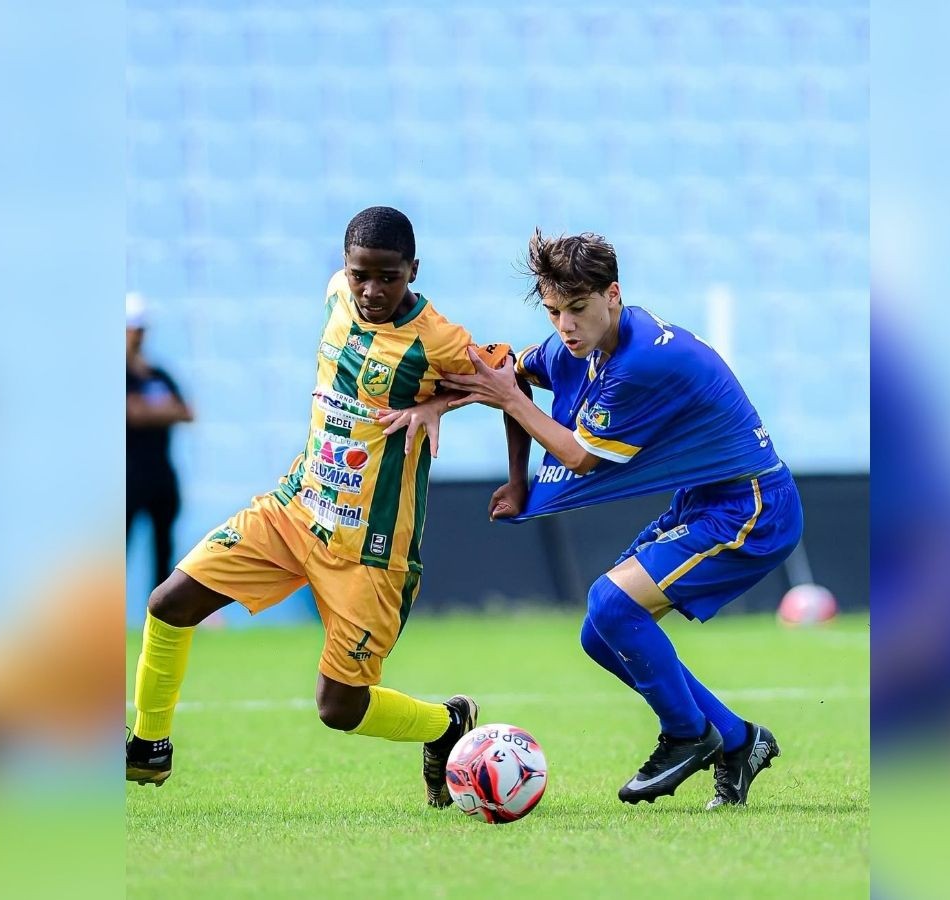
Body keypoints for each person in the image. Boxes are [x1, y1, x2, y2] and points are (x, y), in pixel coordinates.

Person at [125, 207, 511, 808]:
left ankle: (447, 725)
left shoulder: (437, 340)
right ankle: (148, 744)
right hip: (295, 510)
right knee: (169, 603)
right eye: (362, 274)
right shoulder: (336, 295)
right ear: (344, 269)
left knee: (340, 709)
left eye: (389, 277)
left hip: (373, 552)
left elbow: (510, 375)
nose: (372, 290)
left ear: (413, 270)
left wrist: (437, 407)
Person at [418, 229, 804, 808]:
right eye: (553, 312)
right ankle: (737, 740)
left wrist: (511, 400)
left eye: (577, 309)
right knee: (599, 634)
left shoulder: (641, 361)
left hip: (751, 506)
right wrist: (516, 477)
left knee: (611, 604)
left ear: (613, 295)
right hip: (703, 500)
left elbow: (579, 455)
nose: (565, 326)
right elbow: (510, 378)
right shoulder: (580, 346)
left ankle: (687, 735)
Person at [126, 291, 194, 589]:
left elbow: (187, 411)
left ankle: (158, 622)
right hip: (127, 476)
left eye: (140, 329)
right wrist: (163, 410)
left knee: (163, 553)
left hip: (161, 475)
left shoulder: (157, 373)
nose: (137, 336)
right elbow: (133, 414)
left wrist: (146, 409)